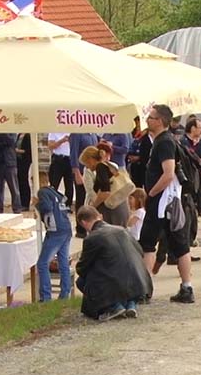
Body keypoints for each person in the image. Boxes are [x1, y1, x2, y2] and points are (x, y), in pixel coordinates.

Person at [141, 104, 195, 303]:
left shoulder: (164, 142)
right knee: (180, 245)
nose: (148, 120)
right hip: (171, 201)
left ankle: (144, 289)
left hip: (163, 202)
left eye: (151, 117)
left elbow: (168, 173)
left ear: (161, 121)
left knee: (147, 243)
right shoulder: (166, 140)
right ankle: (186, 287)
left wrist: (151, 193)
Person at [75, 206, 153, 321]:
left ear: (83, 222)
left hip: (114, 283)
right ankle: (130, 304)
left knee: (82, 281)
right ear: (100, 216)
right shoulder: (122, 230)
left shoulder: (92, 238)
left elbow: (83, 268)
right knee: (120, 275)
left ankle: (114, 306)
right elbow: (140, 252)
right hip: (138, 282)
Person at [34, 171, 73, 301]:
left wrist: (37, 204)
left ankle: (45, 296)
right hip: (66, 228)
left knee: (42, 263)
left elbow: (47, 207)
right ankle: (65, 293)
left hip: (55, 230)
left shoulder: (42, 192)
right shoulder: (55, 192)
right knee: (63, 262)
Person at [80, 145, 132, 228]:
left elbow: (105, 192)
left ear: (91, 160)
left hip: (112, 209)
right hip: (119, 204)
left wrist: (93, 206)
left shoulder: (100, 168)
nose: (87, 167)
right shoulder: (107, 165)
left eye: (86, 164)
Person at [0, 133, 22, 214]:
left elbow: (11, 141)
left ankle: (17, 209)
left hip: (9, 163)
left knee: (14, 189)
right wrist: (4, 144)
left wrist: (2, 138)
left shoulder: (10, 132)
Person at [47, 132, 74, 197]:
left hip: (69, 159)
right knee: (54, 183)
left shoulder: (71, 132)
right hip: (58, 159)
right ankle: (53, 201)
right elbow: (50, 146)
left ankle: (68, 203)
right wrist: (61, 141)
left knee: (69, 184)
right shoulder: (53, 132)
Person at [15, 133, 34, 210]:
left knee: (24, 181)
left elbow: (29, 150)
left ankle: (25, 203)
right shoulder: (19, 135)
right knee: (19, 181)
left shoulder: (28, 136)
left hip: (25, 161)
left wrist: (18, 151)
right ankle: (21, 202)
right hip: (18, 161)